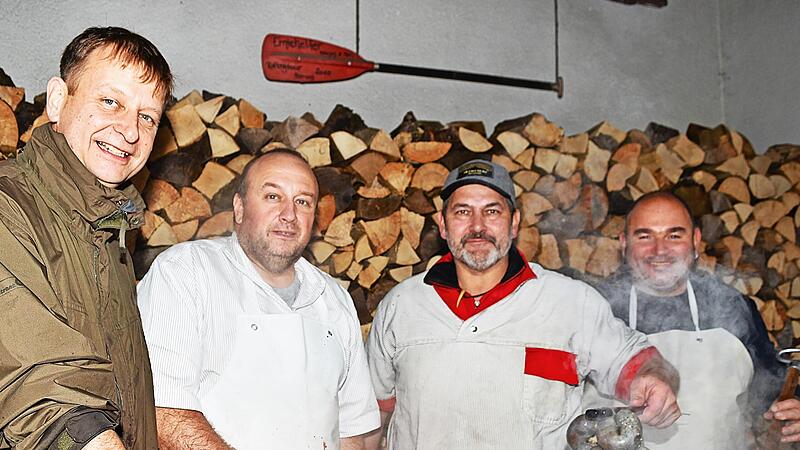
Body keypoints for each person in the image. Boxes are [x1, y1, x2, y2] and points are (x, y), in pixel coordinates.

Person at [365, 159, 680, 450]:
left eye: (492, 211)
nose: (477, 226)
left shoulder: (570, 303)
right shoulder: (401, 307)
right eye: (462, 212)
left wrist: (653, 379)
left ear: (514, 223)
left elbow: (637, 362)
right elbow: (371, 416)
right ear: (443, 225)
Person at [136, 150, 380, 450]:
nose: (289, 214)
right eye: (273, 197)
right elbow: (165, 414)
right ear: (239, 208)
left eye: (303, 201)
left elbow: (355, 431)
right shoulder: (186, 272)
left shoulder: (334, 300)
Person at [0, 27, 172, 449]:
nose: (130, 131)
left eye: (147, 116)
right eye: (111, 101)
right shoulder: (10, 209)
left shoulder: (111, 237)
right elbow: (46, 399)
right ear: (58, 99)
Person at [588, 191, 799, 448]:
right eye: (644, 236)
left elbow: (771, 393)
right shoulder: (594, 309)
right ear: (623, 243)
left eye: (674, 235)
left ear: (696, 240)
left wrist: (792, 408)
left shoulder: (733, 308)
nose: (660, 250)